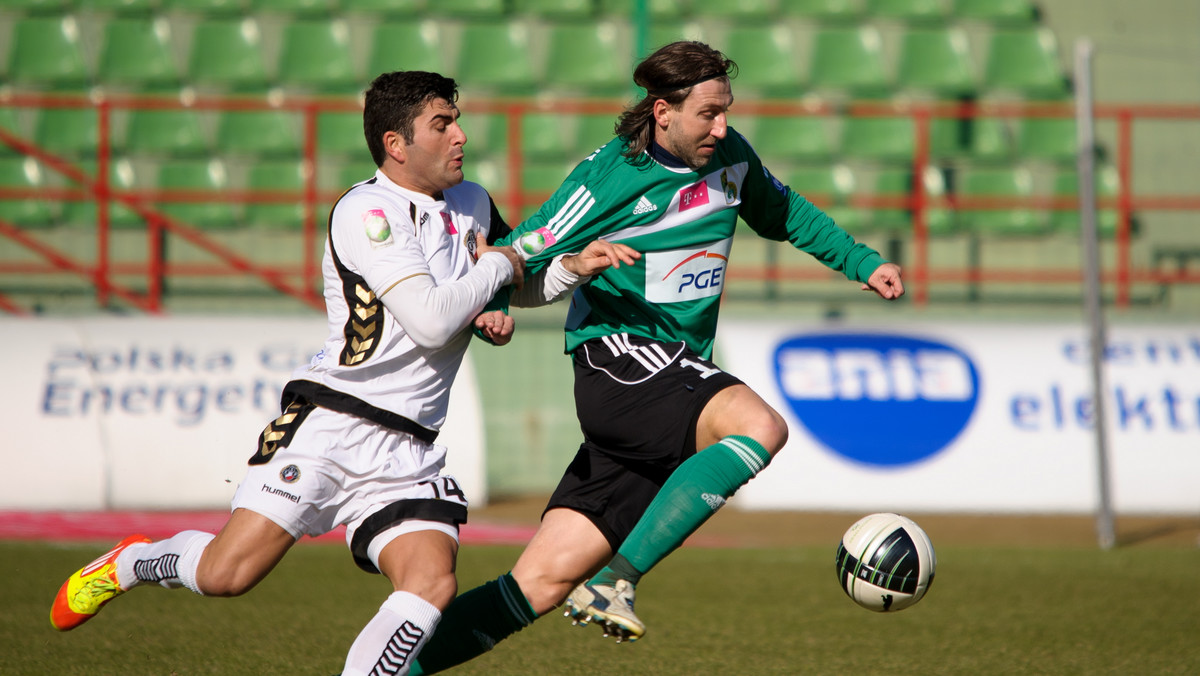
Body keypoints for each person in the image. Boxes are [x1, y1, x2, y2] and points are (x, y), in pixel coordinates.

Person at [49, 70, 636, 676]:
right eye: (442, 124)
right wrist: (494, 275)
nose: (461, 135)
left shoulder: (474, 202)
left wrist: (569, 267)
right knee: (226, 575)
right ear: (396, 144)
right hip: (333, 424)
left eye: (457, 119)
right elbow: (436, 319)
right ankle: (131, 562)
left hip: (409, 446)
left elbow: (515, 280)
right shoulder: (367, 211)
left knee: (430, 583)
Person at [408, 41, 904, 674]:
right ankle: (617, 580)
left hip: (669, 377)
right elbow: (521, 247)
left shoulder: (730, 157)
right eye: (709, 114)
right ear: (663, 111)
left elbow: (785, 214)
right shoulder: (610, 177)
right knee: (760, 427)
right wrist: (490, 300)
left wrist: (862, 263)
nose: (722, 127)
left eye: (726, 111)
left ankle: (391, 667)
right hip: (620, 362)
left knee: (540, 581)